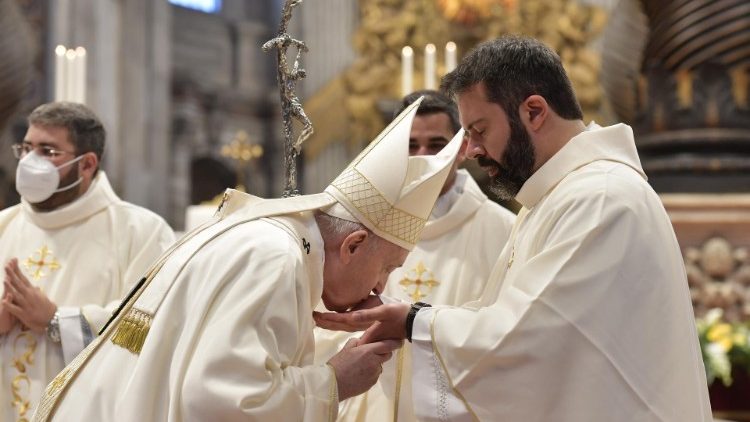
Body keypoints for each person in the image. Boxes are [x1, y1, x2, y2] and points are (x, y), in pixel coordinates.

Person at [315, 36, 713, 421]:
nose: (470, 151)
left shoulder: (601, 200)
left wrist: (413, 322)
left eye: (480, 130)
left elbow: (529, 343)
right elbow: (506, 317)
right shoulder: (555, 198)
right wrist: (408, 317)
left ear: (534, 112)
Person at [31, 97, 464, 421]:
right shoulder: (276, 258)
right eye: (387, 266)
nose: (381, 287)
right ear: (352, 245)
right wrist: (333, 382)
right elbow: (220, 397)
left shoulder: (273, 241)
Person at [315, 90, 515, 421]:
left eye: (436, 145)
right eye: (411, 146)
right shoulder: (358, 225)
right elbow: (322, 324)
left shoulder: (503, 230)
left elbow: (508, 333)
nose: (423, 157)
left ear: (463, 147)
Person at [0, 102, 175, 421]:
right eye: (26, 148)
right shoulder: (4, 225)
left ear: (87, 164)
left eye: (47, 151)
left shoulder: (141, 232)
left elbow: (150, 332)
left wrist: (56, 320)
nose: (29, 161)